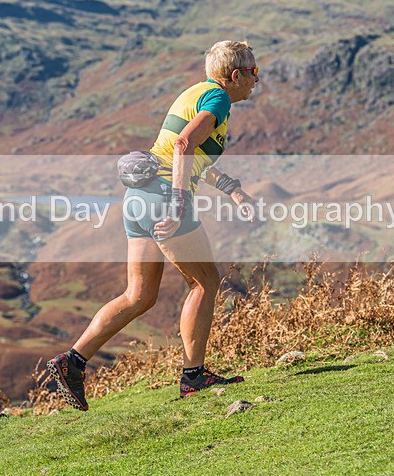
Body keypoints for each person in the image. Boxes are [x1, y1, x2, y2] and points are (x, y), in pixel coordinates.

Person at [47, 40, 260, 411]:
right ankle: (194, 376)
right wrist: (178, 203)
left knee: (139, 295)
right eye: (255, 73)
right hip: (164, 198)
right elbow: (183, 145)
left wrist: (232, 190)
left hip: (138, 198)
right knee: (205, 282)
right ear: (236, 75)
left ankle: (72, 362)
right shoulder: (219, 99)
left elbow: (191, 155)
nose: (258, 80)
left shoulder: (196, 92)